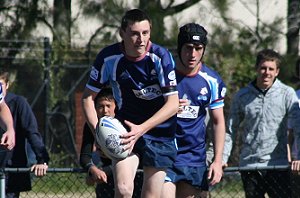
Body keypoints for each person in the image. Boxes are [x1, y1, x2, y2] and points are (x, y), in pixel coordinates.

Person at [81, 9, 179, 198]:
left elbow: (173, 103)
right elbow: (87, 98)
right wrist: (98, 133)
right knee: (124, 190)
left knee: (150, 196)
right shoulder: (108, 58)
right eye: (134, 33)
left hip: (159, 134)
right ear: (122, 33)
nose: (141, 39)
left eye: (145, 33)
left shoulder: (161, 56)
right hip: (124, 133)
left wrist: (141, 129)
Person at [223, 49, 300, 198]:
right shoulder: (242, 96)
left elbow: (298, 129)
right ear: (256, 69)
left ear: (277, 72)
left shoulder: (287, 94)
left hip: (278, 165)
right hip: (250, 166)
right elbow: (230, 130)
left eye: (271, 69)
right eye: (263, 68)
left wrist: (297, 157)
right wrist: (223, 158)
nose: (267, 72)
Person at [161, 23, 226, 198]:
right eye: (188, 48)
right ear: (179, 48)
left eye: (198, 48)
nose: (193, 54)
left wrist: (218, 161)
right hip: (164, 154)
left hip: (193, 158)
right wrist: (167, 108)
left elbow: (218, 121)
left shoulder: (212, 80)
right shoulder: (164, 75)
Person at [0, 68, 50, 198]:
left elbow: (32, 132)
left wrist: (42, 159)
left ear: (7, 85)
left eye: (0, 85)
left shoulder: (18, 103)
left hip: (10, 168)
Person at [80, 87, 116, 197]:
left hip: (131, 176)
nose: (105, 110)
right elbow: (84, 156)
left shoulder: (123, 123)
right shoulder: (91, 125)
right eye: (101, 106)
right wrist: (93, 169)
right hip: (105, 179)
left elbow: (130, 156)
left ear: (115, 106)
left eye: (108, 106)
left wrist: (106, 171)